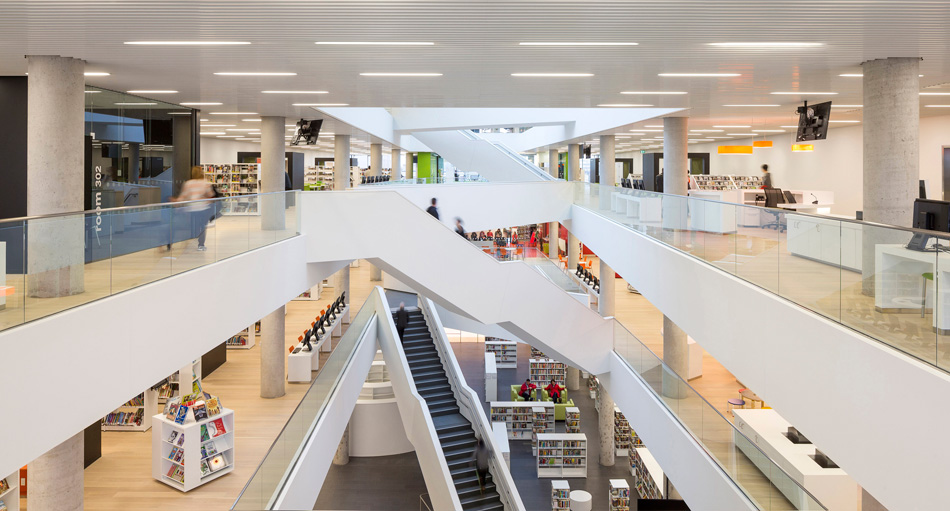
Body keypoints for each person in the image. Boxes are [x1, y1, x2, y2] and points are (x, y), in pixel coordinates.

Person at [171, 166, 215, 251]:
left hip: (192, 208)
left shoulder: (188, 183)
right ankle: (201, 245)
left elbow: (183, 196)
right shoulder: (205, 183)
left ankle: (188, 241)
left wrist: (176, 202)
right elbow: (211, 195)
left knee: (194, 225)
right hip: (203, 208)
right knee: (202, 226)